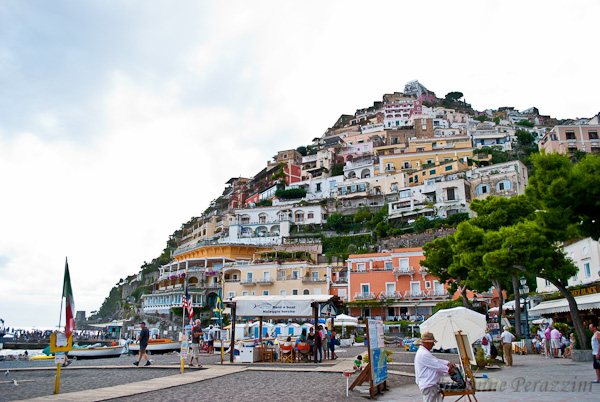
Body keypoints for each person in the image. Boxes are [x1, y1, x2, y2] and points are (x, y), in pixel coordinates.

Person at [414, 332, 457, 402]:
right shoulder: (424, 354)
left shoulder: (424, 352)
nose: (433, 344)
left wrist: (447, 363)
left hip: (429, 384)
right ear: (427, 343)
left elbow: (435, 360)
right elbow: (437, 365)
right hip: (428, 384)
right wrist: (449, 370)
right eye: (432, 343)